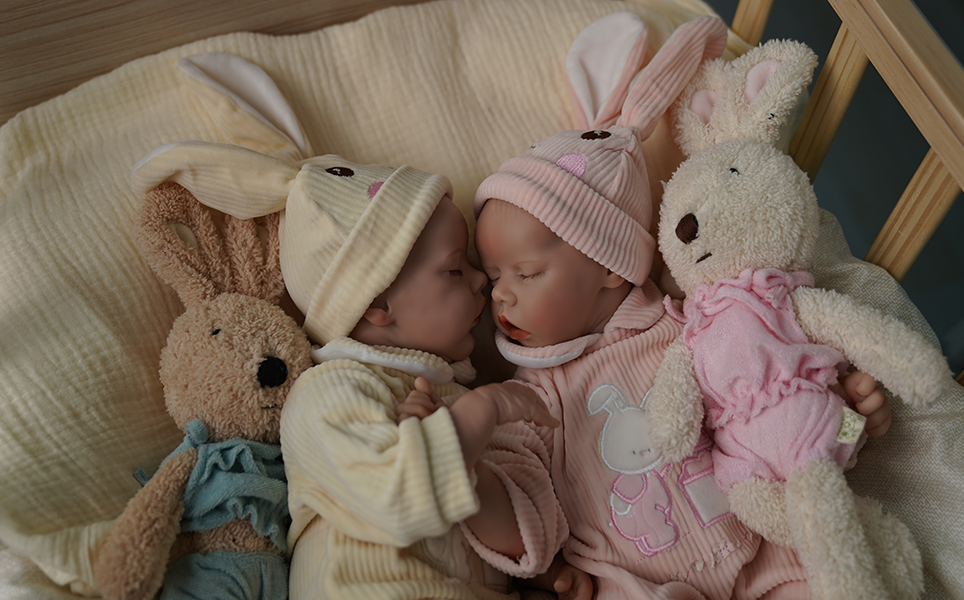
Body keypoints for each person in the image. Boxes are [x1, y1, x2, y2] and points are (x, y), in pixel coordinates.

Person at [459, 122, 892, 599]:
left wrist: (848, 415)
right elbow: (520, 518)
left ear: (608, 265)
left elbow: (784, 408)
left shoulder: (695, 327)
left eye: (525, 273)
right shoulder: (529, 399)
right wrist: (465, 474)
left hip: (766, 553)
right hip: (639, 585)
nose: (500, 295)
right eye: (494, 276)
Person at [261, 156, 590, 600]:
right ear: (377, 304)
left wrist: (542, 571)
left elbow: (523, 539)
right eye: (455, 269)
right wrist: (477, 416)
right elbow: (395, 498)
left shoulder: (458, 398)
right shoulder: (327, 391)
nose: (483, 281)